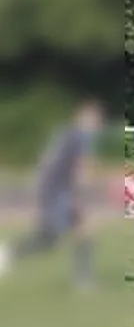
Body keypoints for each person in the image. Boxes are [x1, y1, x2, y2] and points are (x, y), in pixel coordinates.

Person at [0, 99, 104, 286]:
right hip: (59, 191)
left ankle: (83, 280)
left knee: (83, 230)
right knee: (50, 239)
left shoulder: (66, 132)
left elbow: (50, 161)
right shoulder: (81, 135)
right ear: (86, 117)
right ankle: (9, 253)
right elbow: (82, 167)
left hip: (53, 189)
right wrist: (81, 195)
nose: (96, 124)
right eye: (94, 119)